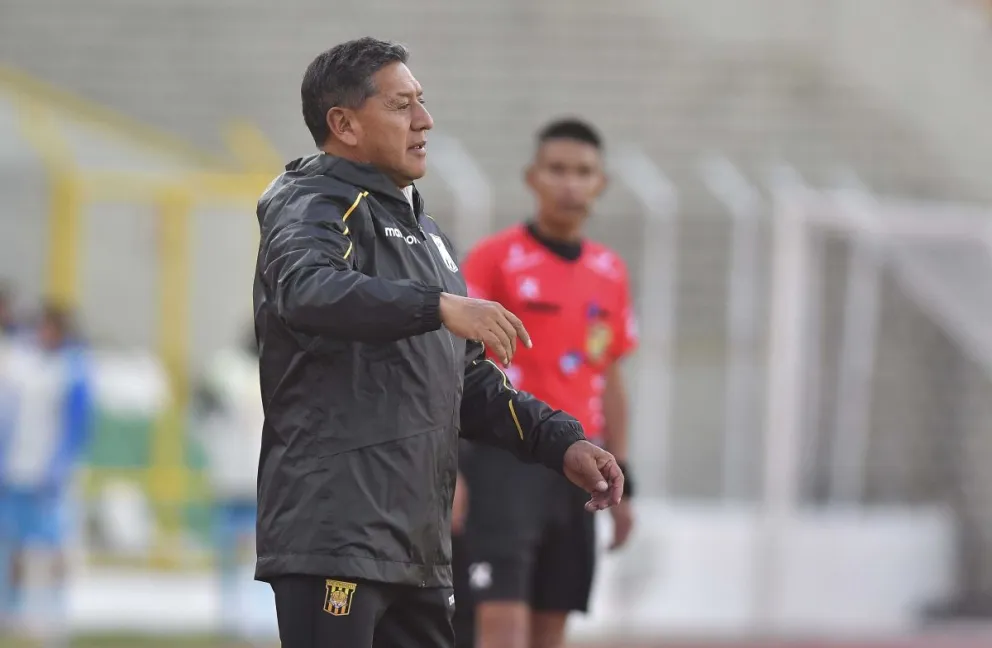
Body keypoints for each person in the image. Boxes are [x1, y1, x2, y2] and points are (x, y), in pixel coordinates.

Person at [253, 37, 625, 648]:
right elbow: (307, 289)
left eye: (421, 102)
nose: (424, 120)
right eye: (401, 105)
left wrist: (562, 442)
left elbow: (468, 381)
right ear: (344, 124)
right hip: (335, 537)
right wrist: (439, 305)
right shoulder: (309, 203)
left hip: (419, 551)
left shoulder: (429, 237)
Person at [452, 119, 639, 648]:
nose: (570, 184)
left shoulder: (610, 271)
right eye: (557, 170)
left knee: (552, 626)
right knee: (501, 625)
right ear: (532, 177)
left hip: (578, 464)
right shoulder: (494, 258)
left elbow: (611, 378)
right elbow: (454, 364)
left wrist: (624, 478)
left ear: (601, 183)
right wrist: (453, 467)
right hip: (503, 462)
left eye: (583, 172)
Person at [0, 302, 93, 646]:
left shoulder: (73, 370)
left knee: (54, 547)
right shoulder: (23, 364)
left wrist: (59, 467)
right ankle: (10, 612)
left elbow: (77, 425)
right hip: (17, 471)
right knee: (11, 544)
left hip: (51, 478)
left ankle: (54, 614)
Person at [193, 327, 264, 642]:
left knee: (261, 554)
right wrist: (214, 449)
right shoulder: (225, 368)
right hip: (231, 476)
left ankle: (260, 619)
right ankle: (230, 616)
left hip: (262, 477)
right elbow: (202, 411)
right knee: (228, 550)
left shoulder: (276, 365)